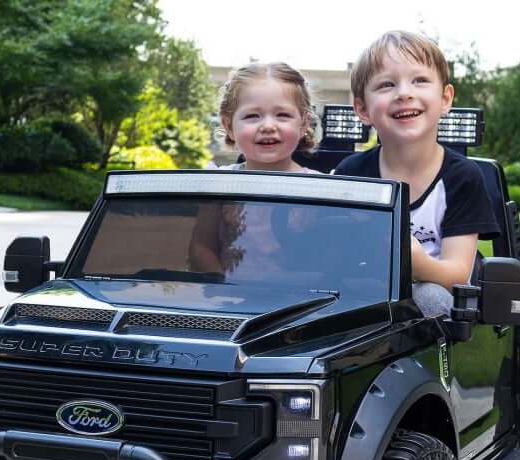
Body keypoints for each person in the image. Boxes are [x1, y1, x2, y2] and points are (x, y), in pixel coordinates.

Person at [335, 30, 500, 316]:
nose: (404, 93)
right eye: (387, 85)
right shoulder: (351, 173)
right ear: (362, 109)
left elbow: (457, 275)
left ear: (445, 98)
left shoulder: (462, 177)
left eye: (420, 80)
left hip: (433, 304)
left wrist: (413, 261)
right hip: (363, 299)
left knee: (430, 296)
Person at [190, 62, 320, 275]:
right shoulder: (220, 184)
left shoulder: (320, 188)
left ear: (304, 124)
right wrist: (223, 287)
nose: (268, 126)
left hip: (299, 303)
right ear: (228, 125)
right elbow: (200, 248)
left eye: (282, 115)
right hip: (228, 301)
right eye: (252, 116)